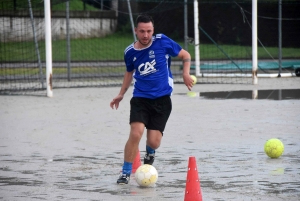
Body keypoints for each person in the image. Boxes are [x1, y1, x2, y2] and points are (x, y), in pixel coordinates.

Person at [110, 14, 194, 184]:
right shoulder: (130, 52)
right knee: (136, 134)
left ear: (153, 30)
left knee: (154, 142)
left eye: (149, 31)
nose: (145, 35)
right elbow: (129, 72)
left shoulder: (163, 41)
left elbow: (186, 55)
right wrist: (121, 93)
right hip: (140, 99)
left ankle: (150, 151)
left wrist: (185, 73)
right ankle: (125, 172)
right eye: (142, 31)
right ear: (136, 31)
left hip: (162, 100)